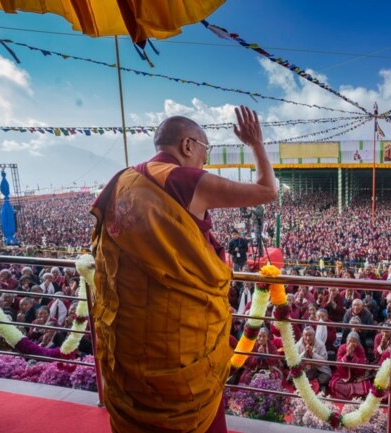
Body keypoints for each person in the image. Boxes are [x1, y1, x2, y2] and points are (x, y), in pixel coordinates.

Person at [90, 106, 276, 433]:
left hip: (131, 335)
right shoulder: (181, 179)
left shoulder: (122, 179)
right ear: (188, 146)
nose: (205, 161)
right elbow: (267, 190)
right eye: (205, 151)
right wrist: (256, 144)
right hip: (178, 339)